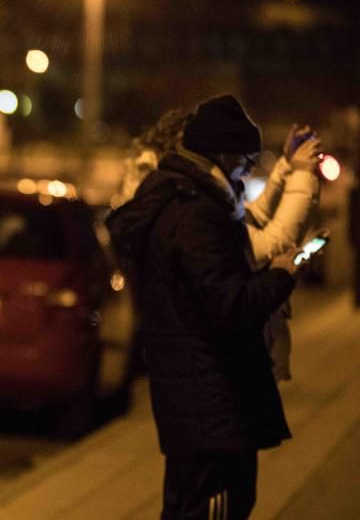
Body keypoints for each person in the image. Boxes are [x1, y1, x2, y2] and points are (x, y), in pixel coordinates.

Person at [106, 95, 303, 520]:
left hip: (197, 403)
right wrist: (281, 276)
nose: (247, 170)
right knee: (216, 506)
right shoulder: (197, 214)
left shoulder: (187, 202)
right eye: (245, 160)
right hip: (211, 405)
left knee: (194, 505)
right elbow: (227, 306)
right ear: (224, 153)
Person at [118, 110, 323, 380]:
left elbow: (248, 220)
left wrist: (285, 167)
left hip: (206, 372)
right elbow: (264, 244)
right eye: (241, 156)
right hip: (208, 373)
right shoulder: (189, 205)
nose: (247, 166)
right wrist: (302, 175)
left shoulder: (193, 192)